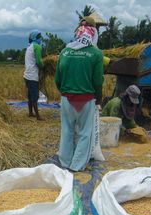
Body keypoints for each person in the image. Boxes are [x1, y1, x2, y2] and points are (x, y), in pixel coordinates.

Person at [55, 16, 104, 172]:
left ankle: (64, 161)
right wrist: (98, 99)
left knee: (67, 130)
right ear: (93, 32)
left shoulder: (65, 51)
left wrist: (65, 92)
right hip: (86, 99)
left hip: (67, 98)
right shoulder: (96, 54)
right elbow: (98, 81)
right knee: (85, 133)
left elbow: (58, 79)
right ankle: (77, 166)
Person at [23, 30, 44, 120]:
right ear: (35, 38)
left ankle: (31, 113)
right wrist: (43, 66)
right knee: (35, 96)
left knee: (30, 95)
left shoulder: (29, 46)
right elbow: (39, 61)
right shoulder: (37, 46)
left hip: (27, 75)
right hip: (32, 75)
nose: (40, 39)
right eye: (39, 37)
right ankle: (38, 116)